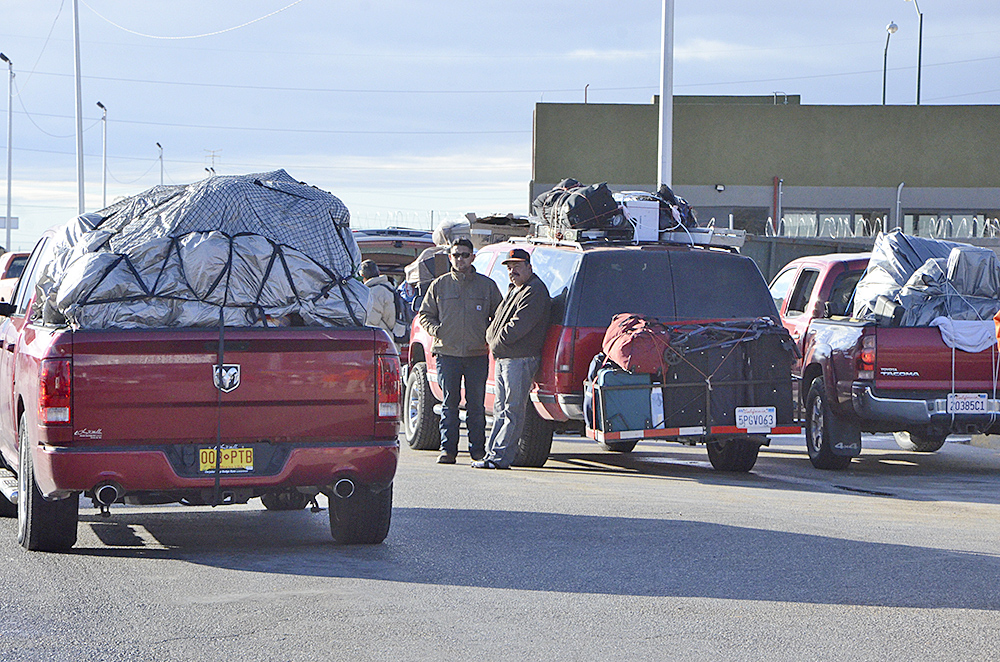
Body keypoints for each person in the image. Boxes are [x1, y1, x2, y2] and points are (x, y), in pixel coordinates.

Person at [418, 238, 503, 464]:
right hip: (447, 354)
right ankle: (449, 450)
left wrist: (489, 336)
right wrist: (437, 330)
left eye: (465, 255)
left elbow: (500, 315)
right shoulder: (440, 285)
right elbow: (425, 314)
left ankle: (477, 451)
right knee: (449, 405)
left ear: (473, 257)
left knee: (476, 406)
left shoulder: (487, 286)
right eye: (456, 255)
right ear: (450, 258)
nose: (460, 259)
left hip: (477, 354)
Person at [473, 247, 551, 470]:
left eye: (517, 266)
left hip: (520, 359)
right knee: (500, 408)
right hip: (505, 358)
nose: (512, 271)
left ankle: (500, 458)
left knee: (512, 410)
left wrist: (494, 342)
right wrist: (492, 338)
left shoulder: (534, 292)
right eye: (509, 267)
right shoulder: (514, 290)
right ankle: (492, 455)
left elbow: (517, 328)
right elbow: (497, 320)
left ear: (529, 267)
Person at [359, 260, 402, 339]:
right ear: (378, 272)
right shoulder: (389, 287)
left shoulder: (372, 292)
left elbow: (372, 321)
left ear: (362, 276)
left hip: (379, 337)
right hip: (392, 334)